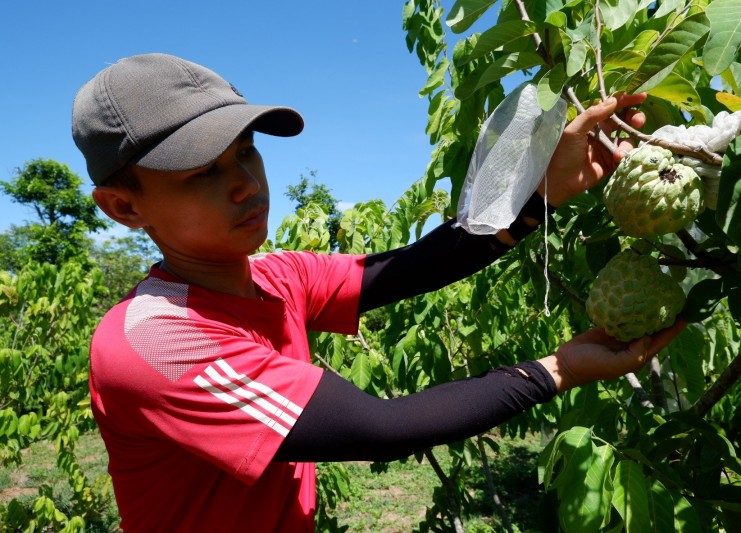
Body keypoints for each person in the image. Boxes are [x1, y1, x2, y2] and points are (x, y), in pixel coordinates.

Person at [72, 53, 683, 532]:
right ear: (125, 206)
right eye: (202, 171)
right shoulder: (155, 342)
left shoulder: (273, 275)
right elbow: (381, 428)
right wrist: (557, 368)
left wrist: (538, 197)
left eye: (247, 152)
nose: (244, 183)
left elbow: (411, 268)